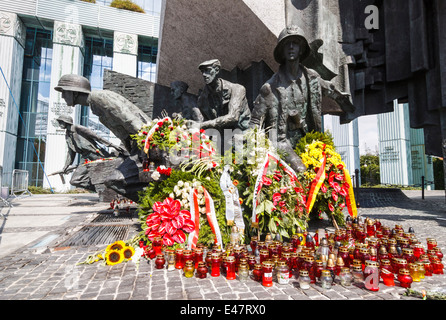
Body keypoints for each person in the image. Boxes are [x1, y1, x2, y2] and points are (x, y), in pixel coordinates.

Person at [250, 25, 350, 174]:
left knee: (331, 170)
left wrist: (345, 102)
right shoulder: (269, 88)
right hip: (283, 142)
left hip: (310, 140)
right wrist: (253, 148)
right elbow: (255, 122)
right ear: (282, 51)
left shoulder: (313, 78)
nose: (291, 47)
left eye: (295, 43)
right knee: (302, 170)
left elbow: (331, 90)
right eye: (286, 44)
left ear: (301, 49)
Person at [54, 74, 151, 153]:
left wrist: (149, 142)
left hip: (148, 142)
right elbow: (124, 132)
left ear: (74, 93)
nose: (62, 96)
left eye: (64, 92)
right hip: (138, 145)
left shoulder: (99, 97)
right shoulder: (95, 106)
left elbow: (128, 119)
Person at [56, 114, 126, 191]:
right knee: (74, 181)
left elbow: (97, 137)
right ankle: (100, 189)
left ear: (66, 122)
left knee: (107, 175)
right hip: (85, 157)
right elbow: (70, 152)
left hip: (96, 154)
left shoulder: (78, 128)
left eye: (60, 122)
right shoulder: (67, 135)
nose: (59, 124)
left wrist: (112, 145)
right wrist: (65, 167)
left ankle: (110, 189)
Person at [190, 59, 251, 133]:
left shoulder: (237, 89)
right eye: (202, 71)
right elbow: (207, 122)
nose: (204, 74)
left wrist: (201, 125)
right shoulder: (202, 100)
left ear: (217, 70)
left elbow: (233, 117)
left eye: (207, 70)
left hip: (242, 133)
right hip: (222, 136)